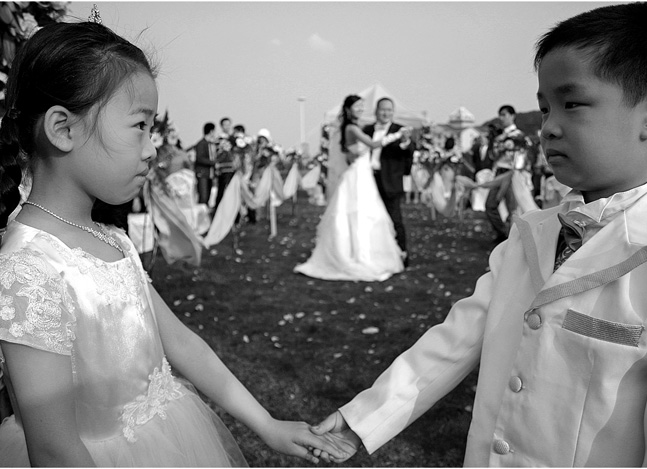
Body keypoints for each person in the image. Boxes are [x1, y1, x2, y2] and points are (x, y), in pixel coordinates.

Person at [312, 3, 647, 466]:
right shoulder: (529, 234)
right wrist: (363, 418)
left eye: (572, 104)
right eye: (544, 108)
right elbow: (455, 340)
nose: (548, 127)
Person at [0, 19, 346, 466]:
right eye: (139, 126)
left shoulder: (113, 239)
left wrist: (267, 424)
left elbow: (181, 344)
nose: (151, 149)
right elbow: (54, 449)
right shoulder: (28, 268)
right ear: (63, 129)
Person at [294, 95, 409, 282]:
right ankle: (356, 253)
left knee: (374, 215)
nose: (361, 109)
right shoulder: (353, 128)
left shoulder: (353, 128)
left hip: (365, 174)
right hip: (358, 176)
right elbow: (372, 144)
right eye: (357, 106)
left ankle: (371, 252)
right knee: (358, 213)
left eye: (362, 106)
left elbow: (350, 153)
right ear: (348, 109)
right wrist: (397, 135)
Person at [362, 97, 415, 266]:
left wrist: (405, 142)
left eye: (389, 110)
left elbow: (408, 152)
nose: (386, 113)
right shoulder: (367, 130)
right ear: (376, 111)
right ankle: (373, 253)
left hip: (390, 181)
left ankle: (401, 254)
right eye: (383, 109)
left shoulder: (400, 130)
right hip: (368, 180)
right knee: (369, 218)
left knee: (394, 219)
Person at [485, 105, 527, 243]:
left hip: (511, 172)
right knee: (490, 205)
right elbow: (492, 156)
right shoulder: (499, 136)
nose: (501, 118)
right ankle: (503, 233)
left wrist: (517, 173)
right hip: (499, 171)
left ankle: (512, 238)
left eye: (504, 115)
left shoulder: (518, 135)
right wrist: (493, 141)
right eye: (500, 115)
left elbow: (522, 156)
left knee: (512, 207)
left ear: (512, 115)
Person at [194, 121, 218, 207]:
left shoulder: (210, 144)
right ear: (211, 131)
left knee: (207, 196)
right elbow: (199, 158)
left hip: (209, 174)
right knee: (203, 197)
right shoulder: (201, 143)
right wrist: (213, 162)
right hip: (202, 173)